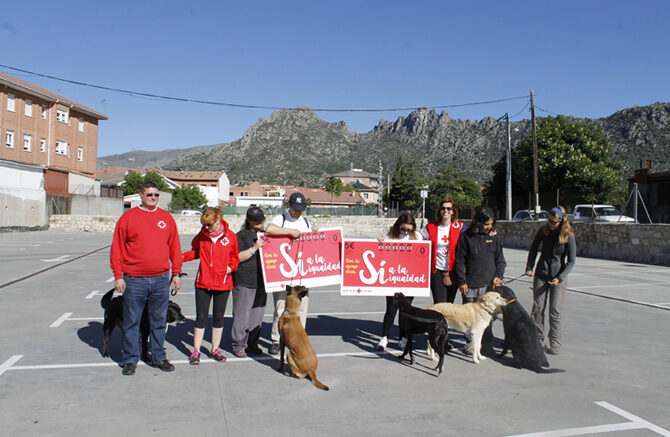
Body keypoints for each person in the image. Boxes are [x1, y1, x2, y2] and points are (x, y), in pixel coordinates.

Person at [110, 182, 182, 376]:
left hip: (160, 279)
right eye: (149, 194)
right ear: (140, 195)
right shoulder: (128, 218)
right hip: (134, 279)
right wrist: (118, 276)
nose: (153, 198)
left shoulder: (166, 219)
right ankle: (130, 359)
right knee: (132, 321)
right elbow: (117, 248)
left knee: (158, 321)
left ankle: (158, 356)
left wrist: (176, 273)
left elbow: (175, 247)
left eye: (157, 195)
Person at [182, 207, 239, 365]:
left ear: (218, 220)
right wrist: (179, 258)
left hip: (223, 283)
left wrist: (230, 268)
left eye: (209, 225)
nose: (206, 228)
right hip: (203, 283)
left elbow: (235, 258)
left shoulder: (231, 237)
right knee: (201, 317)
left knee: (218, 317)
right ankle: (196, 351)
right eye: (204, 225)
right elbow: (195, 252)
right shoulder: (201, 236)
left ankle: (215, 349)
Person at [265, 192, 317, 355]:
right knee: (281, 308)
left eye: (301, 209)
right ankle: (276, 339)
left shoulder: (306, 222)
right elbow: (269, 229)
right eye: (295, 209)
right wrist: (290, 231)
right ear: (290, 206)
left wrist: (314, 232)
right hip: (283, 274)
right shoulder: (281, 219)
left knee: (301, 309)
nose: (298, 212)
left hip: (302, 274)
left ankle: (297, 338)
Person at [453, 206, 506, 354]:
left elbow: (500, 260)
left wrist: (499, 276)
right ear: (478, 222)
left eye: (490, 224)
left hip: (489, 285)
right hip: (470, 284)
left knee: (487, 317)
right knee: (470, 318)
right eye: (486, 224)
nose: (489, 227)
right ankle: (471, 344)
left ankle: (486, 343)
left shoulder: (494, 237)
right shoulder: (466, 237)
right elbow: (459, 261)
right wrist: (462, 281)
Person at [525, 205, 576, 355]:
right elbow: (534, 249)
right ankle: (537, 340)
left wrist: (559, 278)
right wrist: (529, 267)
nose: (551, 224)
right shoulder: (543, 230)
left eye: (554, 222)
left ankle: (555, 343)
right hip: (541, 274)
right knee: (538, 309)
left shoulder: (568, 235)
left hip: (558, 277)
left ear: (561, 221)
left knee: (555, 310)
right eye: (549, 221)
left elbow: (572, 261)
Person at [375, 211, 423, 351]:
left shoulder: (418, 237)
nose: (406, 232)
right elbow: (380, 251)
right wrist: (379, 242)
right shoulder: (391, 236)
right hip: (393, 278)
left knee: (406, 310)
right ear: (398, 227)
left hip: (410, 279)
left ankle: (403, 338)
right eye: (403, 229)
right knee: (391, 308)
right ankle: (384, 337)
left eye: (409, 229)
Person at [231, 207, 267, 357]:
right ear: (248, 220)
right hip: (245, 280)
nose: (258, 221)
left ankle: (252, 343)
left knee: (257, 316)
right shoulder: (240, 236)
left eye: (260, 218)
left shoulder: (267, 235)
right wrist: (254, 248)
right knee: (242, 315)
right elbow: (237, 258)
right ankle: (238, 344)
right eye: (254, 219)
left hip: (263, 281)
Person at [421, 198, 464, 304]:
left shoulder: (459, 226)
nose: (446, 211)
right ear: (439, 210)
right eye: (443, 208)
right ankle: (438, 321)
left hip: (453, 270)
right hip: (436, 271)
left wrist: (491, 231)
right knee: (440, 303)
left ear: (453, 211)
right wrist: (390, 236)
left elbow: (473, 234)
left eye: (449, 208)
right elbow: (415, 237)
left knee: (449, 304)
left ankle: (444, 321)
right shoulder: (430, 228)